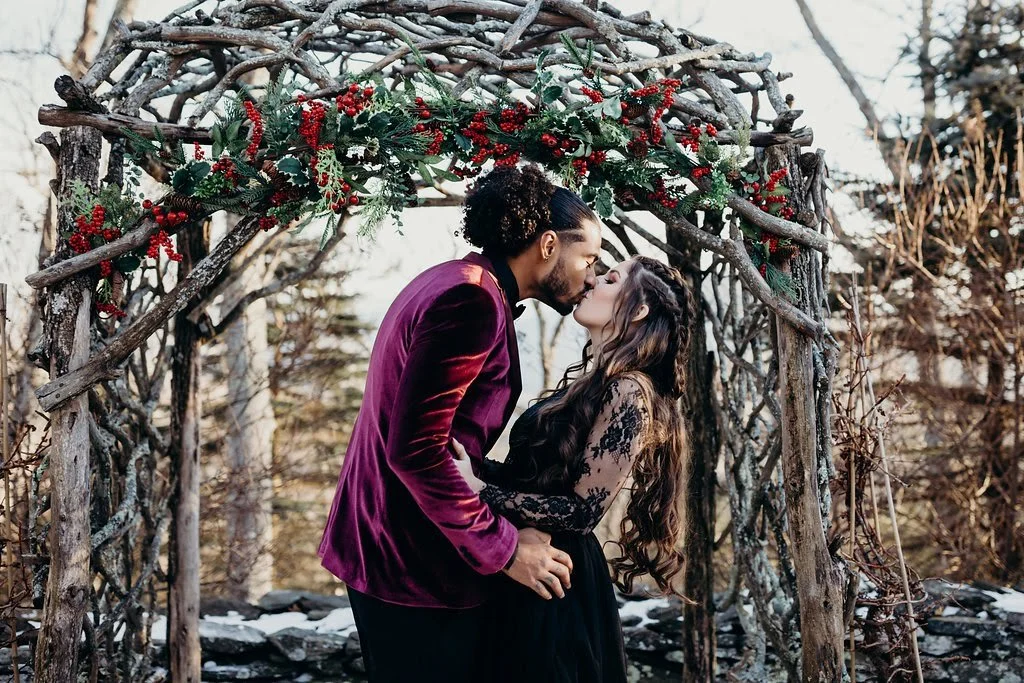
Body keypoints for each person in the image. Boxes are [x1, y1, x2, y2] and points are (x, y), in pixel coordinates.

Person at [317, 164, 603, 683]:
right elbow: (417, 451)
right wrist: (505, 549)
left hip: (398, 542)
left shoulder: (455, 281)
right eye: (587, 257)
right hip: (406, 558)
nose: (591, 274)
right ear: (546, 246)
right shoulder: (469, 301)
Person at [452, 254, 695, 683]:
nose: (594, 281)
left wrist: (479, 491)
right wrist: (475, 468)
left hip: (557, 579)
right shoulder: (595, 382)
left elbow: (582, 511)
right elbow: (532, 478)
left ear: (637, 309)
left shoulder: (630, 390)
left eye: (611, 279)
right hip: (528, 564)